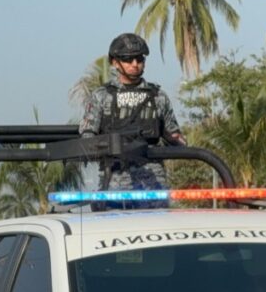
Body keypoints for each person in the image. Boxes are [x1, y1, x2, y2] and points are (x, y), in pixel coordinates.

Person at [79, 32, 186, 207]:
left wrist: (176, 141)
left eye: (139, 59)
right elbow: (87, 136)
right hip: (114, 182)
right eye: (128, 60)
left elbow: (175, 136)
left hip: (153, 184)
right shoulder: (102, 96)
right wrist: (108, 147)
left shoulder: (158, 96)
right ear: (115, 62)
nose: (135, 64)